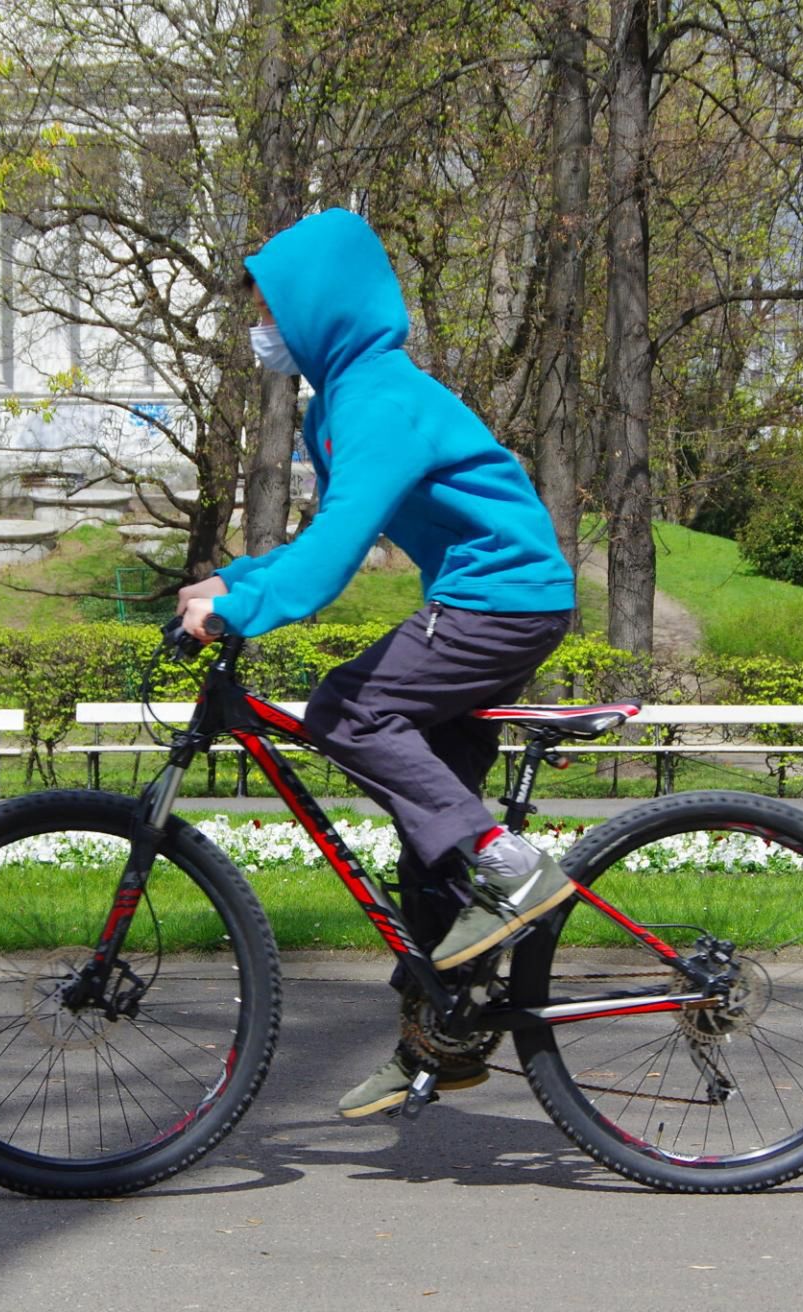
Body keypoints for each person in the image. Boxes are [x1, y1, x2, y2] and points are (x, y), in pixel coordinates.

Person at [175, 208, 578, 1118]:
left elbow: (334, 557)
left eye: (270, 307)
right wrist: (232, 579)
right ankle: (445, 1035)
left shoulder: (378, 401)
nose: (260, 326)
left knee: (347, 711)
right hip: (493, 600)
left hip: (501, 602)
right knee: (426, 835)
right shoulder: (343, 405)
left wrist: (241, 610)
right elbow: (324, 537)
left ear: (319, 305)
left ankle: (512, 865)